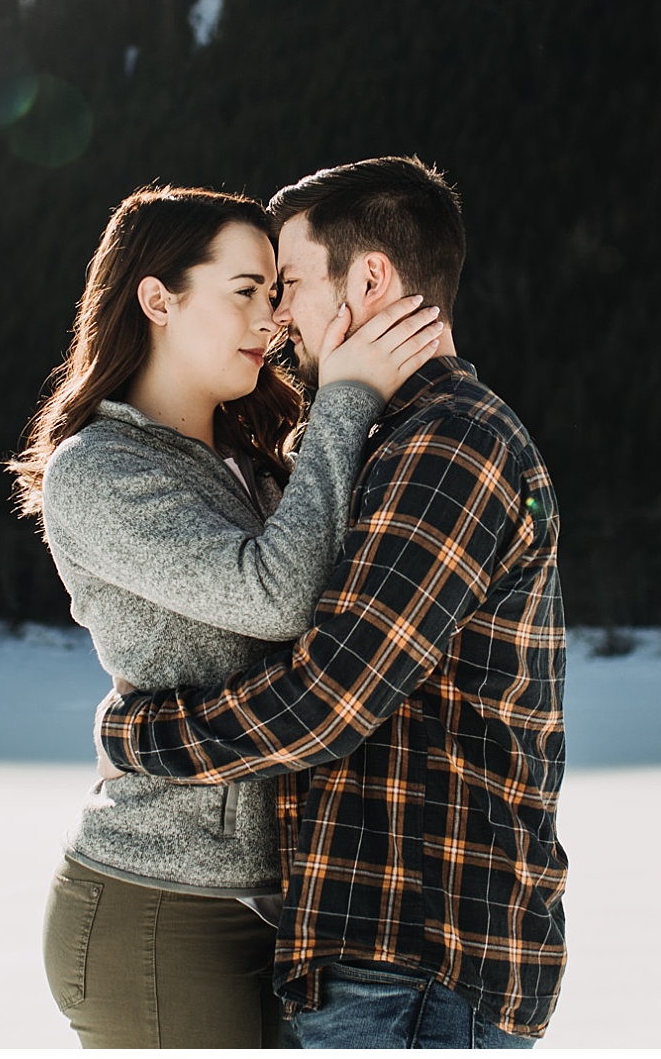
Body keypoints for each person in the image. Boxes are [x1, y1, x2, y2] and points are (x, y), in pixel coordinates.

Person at [96, 157, 568, 1048]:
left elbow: (331, 697)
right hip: (376, 948)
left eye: (294, 285)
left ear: (373, 278)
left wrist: (143, 735)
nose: (278, 321)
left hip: (421, 958)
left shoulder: (449, 445)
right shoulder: (389, 443)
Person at [9, 184, 447, 1048]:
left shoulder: (254, 462)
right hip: (162, 903)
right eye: (246, 291)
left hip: (275, 903)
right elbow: (277, 595)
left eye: (278, 293)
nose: (273, 318)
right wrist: (348, 400)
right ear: (158, 299)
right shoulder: (97, 471)